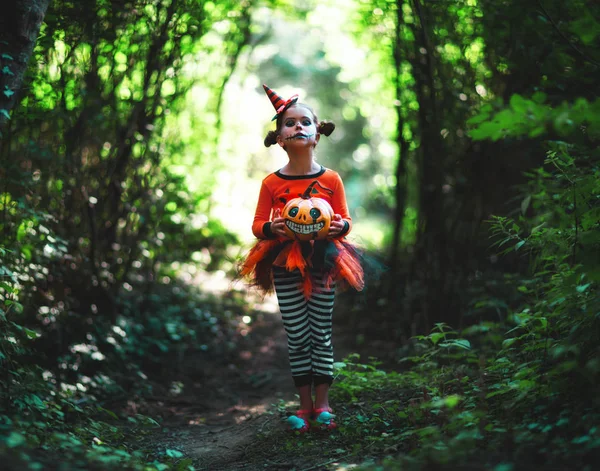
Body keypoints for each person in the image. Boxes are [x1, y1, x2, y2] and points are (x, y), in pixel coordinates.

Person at [240, 84, 364, 433]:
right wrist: (272, 227)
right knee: (296, 333)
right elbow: (256, 224)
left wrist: (340, 226)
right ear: (279, 138)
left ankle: (324, 404)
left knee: (320, 332)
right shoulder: (271, 183)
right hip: (282, 261)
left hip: (323, 259)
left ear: (316, 135)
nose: (297, 127)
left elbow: (344, 220)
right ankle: (304, 406)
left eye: (304, 122)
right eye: (289, 123)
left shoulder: (330, 179)